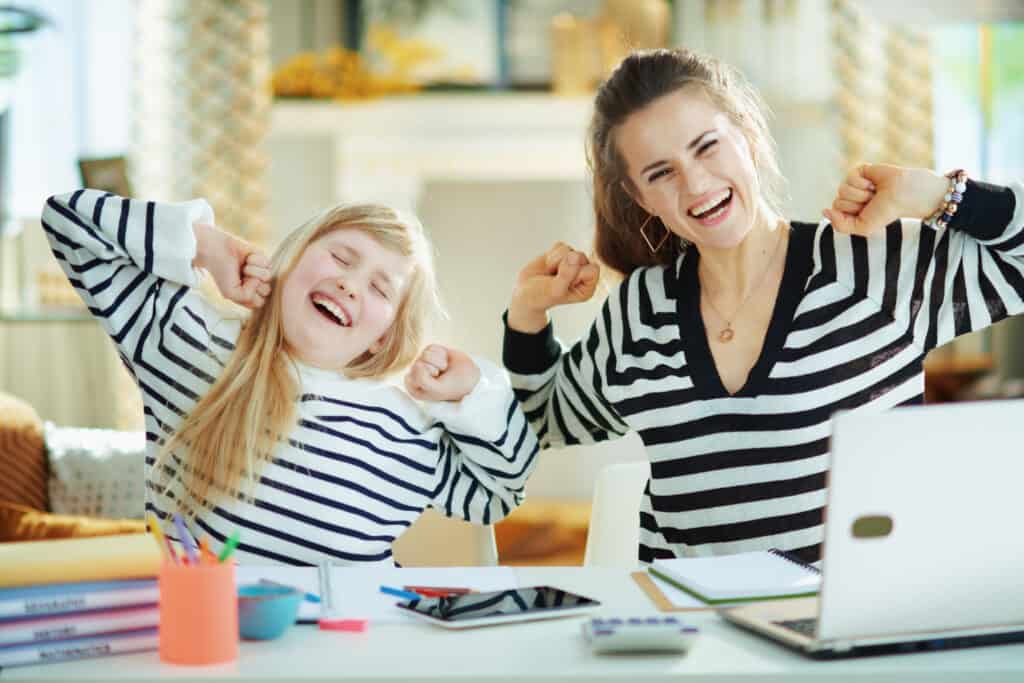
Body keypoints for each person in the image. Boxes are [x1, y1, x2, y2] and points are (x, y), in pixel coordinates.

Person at [503, 48, 1023, 565]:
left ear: (748, 137)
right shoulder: (639, 310)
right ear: (641, 199)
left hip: (847, 630)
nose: (696, 184)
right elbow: (547, 420)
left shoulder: (870, 265)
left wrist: (937, 193)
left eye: (707, 147)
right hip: (691, 632)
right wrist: (527, 316)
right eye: (661, 173)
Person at [42, 190, 539, 565]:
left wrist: (474, 395)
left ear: (382, 339)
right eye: (342, 257)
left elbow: (501, 491)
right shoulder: (190, 344)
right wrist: (205, 244)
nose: (349, 283)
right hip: (198, 649)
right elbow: (67, 221)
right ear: (290, 258)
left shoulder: (406, 426)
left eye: (380, 288)